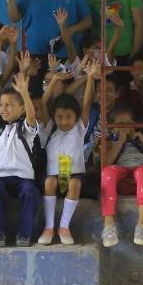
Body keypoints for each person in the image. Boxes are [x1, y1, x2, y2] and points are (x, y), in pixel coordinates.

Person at [38, 62, 97, 245]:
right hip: (54, 177)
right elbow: (41, 103)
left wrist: (90, 78)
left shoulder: (79, 129)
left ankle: (64, 226)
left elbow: (86, 103)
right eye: (60, 117)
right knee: (49, 181)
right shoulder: (50, 129)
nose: (64, 122)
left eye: (69, 117)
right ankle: (49, 227)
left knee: (74, 183)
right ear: (54, 116)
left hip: (74, 175)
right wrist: (54, 78)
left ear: (76, 117)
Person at [0, 65, 40, 247]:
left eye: (9, 105)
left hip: (23, 179)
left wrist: (24, 93)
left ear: (21, 108)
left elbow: (31, 115)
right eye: (1, 105)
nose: (3, 108)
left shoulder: (26, 129)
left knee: (31, 192)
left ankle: (24, 234)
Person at [99, 103, 143, 248]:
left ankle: (142, 226)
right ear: (111, 127)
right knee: (107, 172)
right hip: (121, 176)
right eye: (120, 124)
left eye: (128, 123)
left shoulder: (141, 141)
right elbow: (105, 164)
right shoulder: (108, 142)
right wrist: (120, 141)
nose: (125, 127)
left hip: (142, 178)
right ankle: (109, 225)